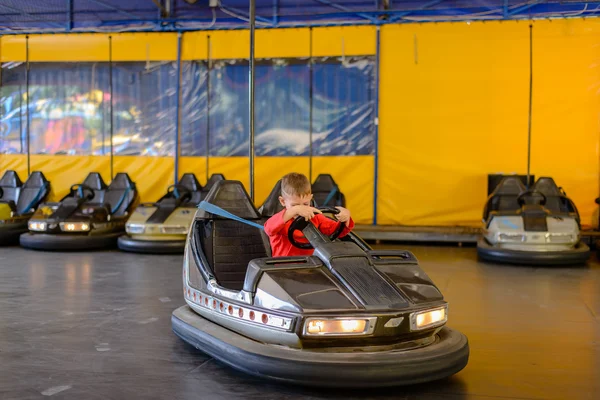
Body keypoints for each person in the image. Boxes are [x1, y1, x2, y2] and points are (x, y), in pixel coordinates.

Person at [264, 172, 354, 257]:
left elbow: (337, 231)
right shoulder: (280, 219)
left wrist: (345, 217)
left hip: (310, 265)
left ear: (310, 198)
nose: (301, 209)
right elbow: (268, 229)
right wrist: (294, 211)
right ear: (283, 201)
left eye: (305, 204)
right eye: (295, 205)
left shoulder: (316, 218)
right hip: (283, 268)